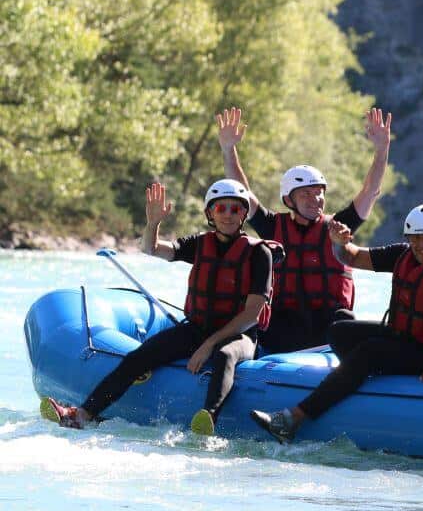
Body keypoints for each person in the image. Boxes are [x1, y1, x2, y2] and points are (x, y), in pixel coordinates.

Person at [250, 204, 423, 444]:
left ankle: (293, 419)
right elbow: (353, 257)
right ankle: (358, 381)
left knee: (370, 352)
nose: (422, 245)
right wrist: (341, 243)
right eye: (416, 238)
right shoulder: (404, 254)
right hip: (410, 340)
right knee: (340, 332)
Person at [43, 180, 274, 436]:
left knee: (225, 355)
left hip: (239, 335)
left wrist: (208, 346)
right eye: (221, 208)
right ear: (210, 213)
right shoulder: (199, 243)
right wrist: (153, 223)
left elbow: (252, 314)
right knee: (138, 357)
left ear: (244, 214)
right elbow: (151, 248)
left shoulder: (259, 253)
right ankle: (82, 415)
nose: (229, 215)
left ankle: (207, 418)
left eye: (236, 209)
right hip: (198, 329)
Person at [215, 105, 393, 354]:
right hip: (285, 325)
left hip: (330, 326)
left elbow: (370, 191)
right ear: (289, 200)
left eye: (319, 193)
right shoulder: (272, 226)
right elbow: (241, 191)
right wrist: (228, 148)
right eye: (306, 194)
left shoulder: (340, 226)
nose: (316, 199)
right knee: (261, 323)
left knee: (344, 321)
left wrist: (382, 149)